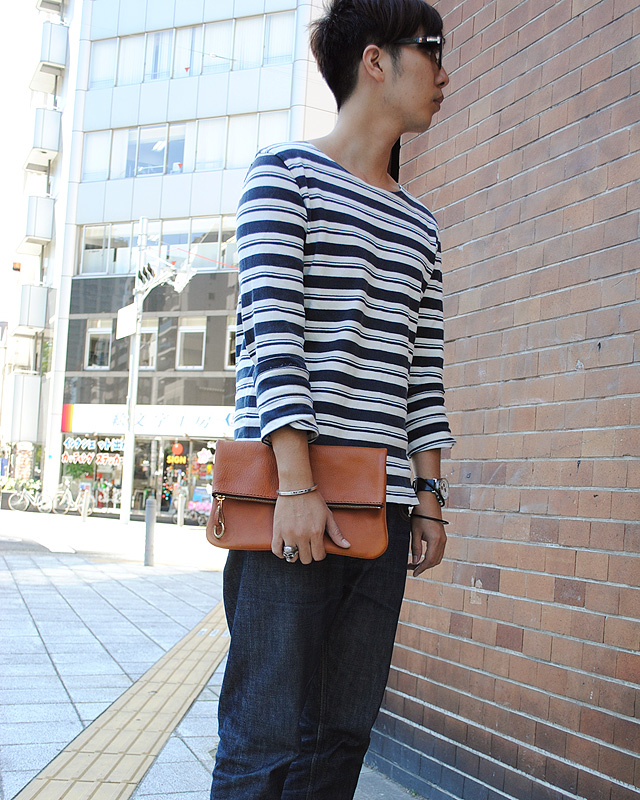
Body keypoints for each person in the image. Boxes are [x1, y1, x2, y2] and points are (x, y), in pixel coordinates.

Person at [210, 1, 454, 798]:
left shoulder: (422, 224)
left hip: (381, 510)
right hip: (292, 499)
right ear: (375, 60)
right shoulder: (282, 174)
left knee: (341, 736)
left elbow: (423, 372)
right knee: (263, 738)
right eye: (432, 49)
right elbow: (273, 337)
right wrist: (297, 486)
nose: (445, 72)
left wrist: (430, 497)